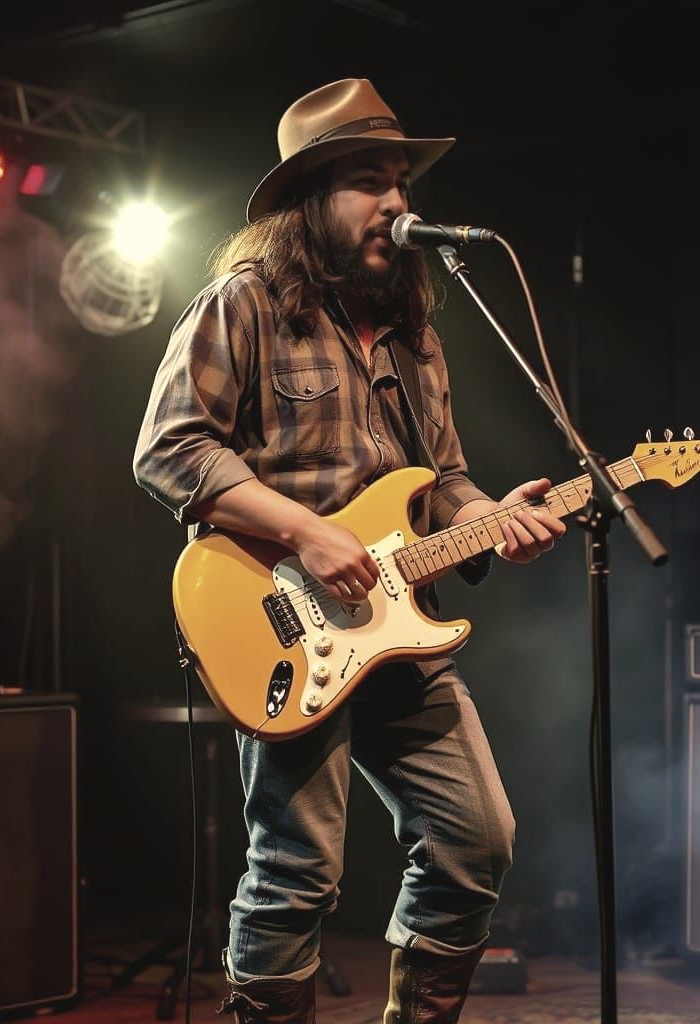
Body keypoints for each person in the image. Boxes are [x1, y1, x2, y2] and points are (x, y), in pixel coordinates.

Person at [133, 77, 567, 1024]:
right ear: (309, 201)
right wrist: (305, 532)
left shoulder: (416, 333)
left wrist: (493, 514)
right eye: (370, 181)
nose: (397, 200)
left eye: (401, 181)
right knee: (297, 868)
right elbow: (169, 450)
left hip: (398, 631)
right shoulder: (245, 303)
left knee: (476, 843)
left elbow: (441, 477)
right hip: (283, 623)